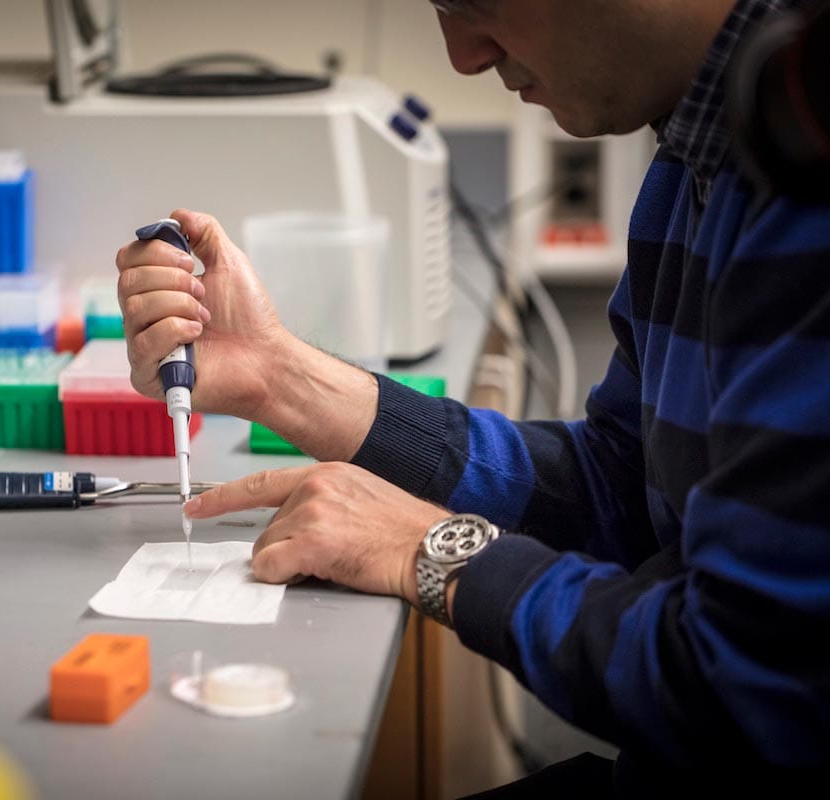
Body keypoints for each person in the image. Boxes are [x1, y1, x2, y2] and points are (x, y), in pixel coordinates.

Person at [114, 0, 830, 791]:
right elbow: (624, 487)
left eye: (473, 1)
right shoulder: (703, 151)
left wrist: (433, 550)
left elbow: (748, 688)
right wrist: (277, 375)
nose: (463, 54)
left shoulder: (808, 154)